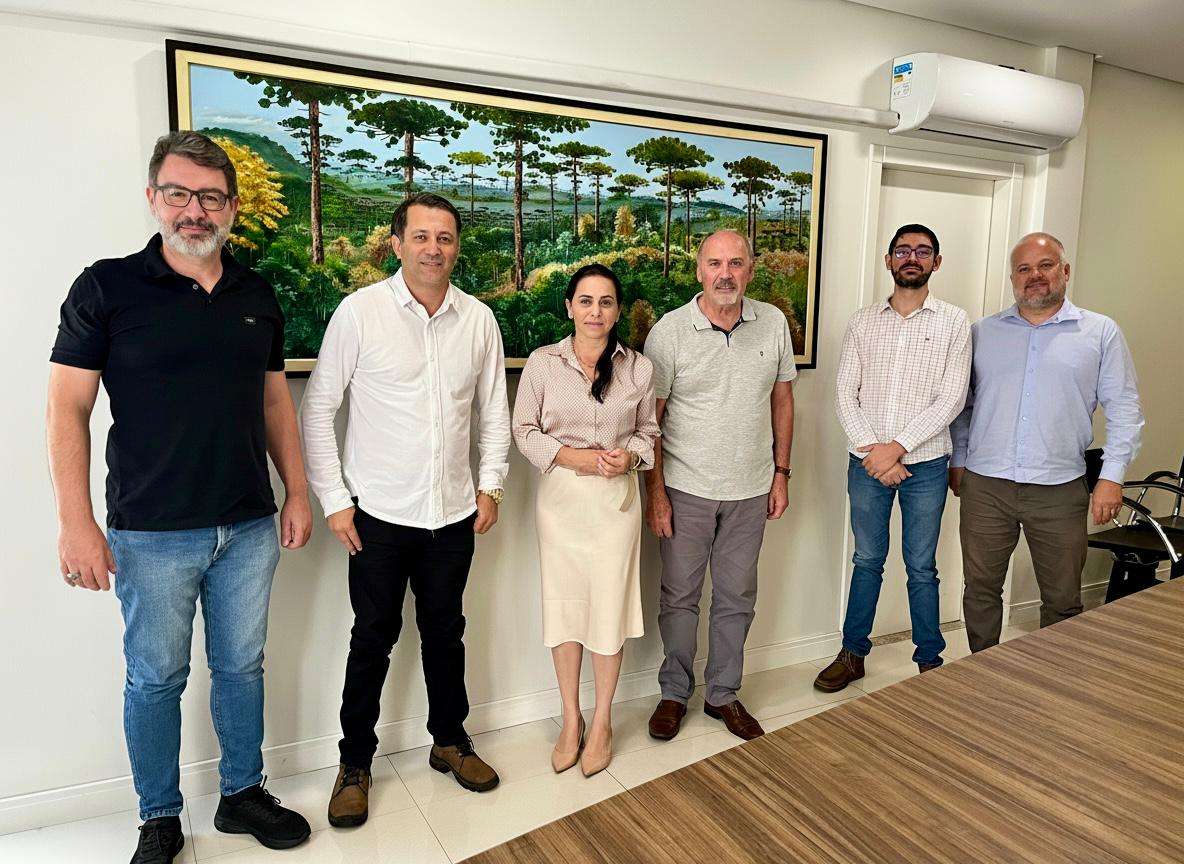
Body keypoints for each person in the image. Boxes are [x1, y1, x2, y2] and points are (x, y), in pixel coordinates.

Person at [47, 131, 313, 863]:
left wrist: (296, 491)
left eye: (211, 197)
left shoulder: (256, 294)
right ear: (153, 198)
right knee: (157, 679)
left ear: (232, 208)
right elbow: (67, 408)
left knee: (242, 668)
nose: (195, 210)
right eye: (179, 193)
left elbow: (274, 403)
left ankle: (241, 793)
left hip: (248, 526)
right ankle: (159, 816)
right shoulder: (105, 288)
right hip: (150, 532)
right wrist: (76, 524)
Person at [300, 193, 511, 828]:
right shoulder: (360, 313)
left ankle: (449, 741)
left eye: (444, 238)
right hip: (378, 519)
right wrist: (335, 502)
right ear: (397, 244)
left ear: (456, 247)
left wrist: (491, 486)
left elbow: (493, 412)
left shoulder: (478, 320)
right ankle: (354, 764)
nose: (432, 249)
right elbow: (318, 408)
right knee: (372, 640)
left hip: (453, 516)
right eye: (420, 236)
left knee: (446, 634)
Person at [950, 232, 1144, 652]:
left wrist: (1111, 477)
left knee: (1062, 598)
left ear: (1065, 271)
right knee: (980, 589)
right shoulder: (983, 332)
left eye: (1045, 265)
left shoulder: (1100, 332)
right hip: (986, 486)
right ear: (1012, 278)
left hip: (1060, 489)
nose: (1034, 275)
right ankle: (983, 672)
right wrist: (959, 460)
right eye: (1023, 269)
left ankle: (1054, 676)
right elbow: (963, 406)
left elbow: (1125, 409)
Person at [643, 229, 796, 742]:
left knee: (736, 597)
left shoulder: (773, 322)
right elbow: (650, 421)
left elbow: (782, 400)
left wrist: (781, 473)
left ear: (750, 270)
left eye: (735, 263)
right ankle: (673, 692)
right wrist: (656, 494)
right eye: (714, 263)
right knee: (679, 597)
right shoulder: (669, 332)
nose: (725, 274)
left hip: (751, 489)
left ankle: (723, 694)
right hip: (685, 488)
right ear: (699, 270)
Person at [513, 263, 660, 777]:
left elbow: (648, 432)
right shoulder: (543, 363)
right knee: (565, 609)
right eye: (586, 301)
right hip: (561, 504)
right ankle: (570, 716)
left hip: (615, 506)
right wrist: (574, 458)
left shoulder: (639, 368)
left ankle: (601, 722)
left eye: (606, 302)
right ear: (569, 307)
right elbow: (523, 430)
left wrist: (631, 457)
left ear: (617, 311)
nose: (595, 311)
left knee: (608, 611)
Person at [815, 224, 971, 693]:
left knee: (921, 566)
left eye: (922, 252)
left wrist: (896, 448)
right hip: (866, 464)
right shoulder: (863, 321)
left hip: (927, 465)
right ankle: (852, 653)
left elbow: (951, 399)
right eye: (903, 251)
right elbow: (845, 393)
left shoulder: (954, 322)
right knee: (867, 559)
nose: (912, 258)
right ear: (888, 260)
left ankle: (929, 660)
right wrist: (875, 453)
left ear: (936, 263)